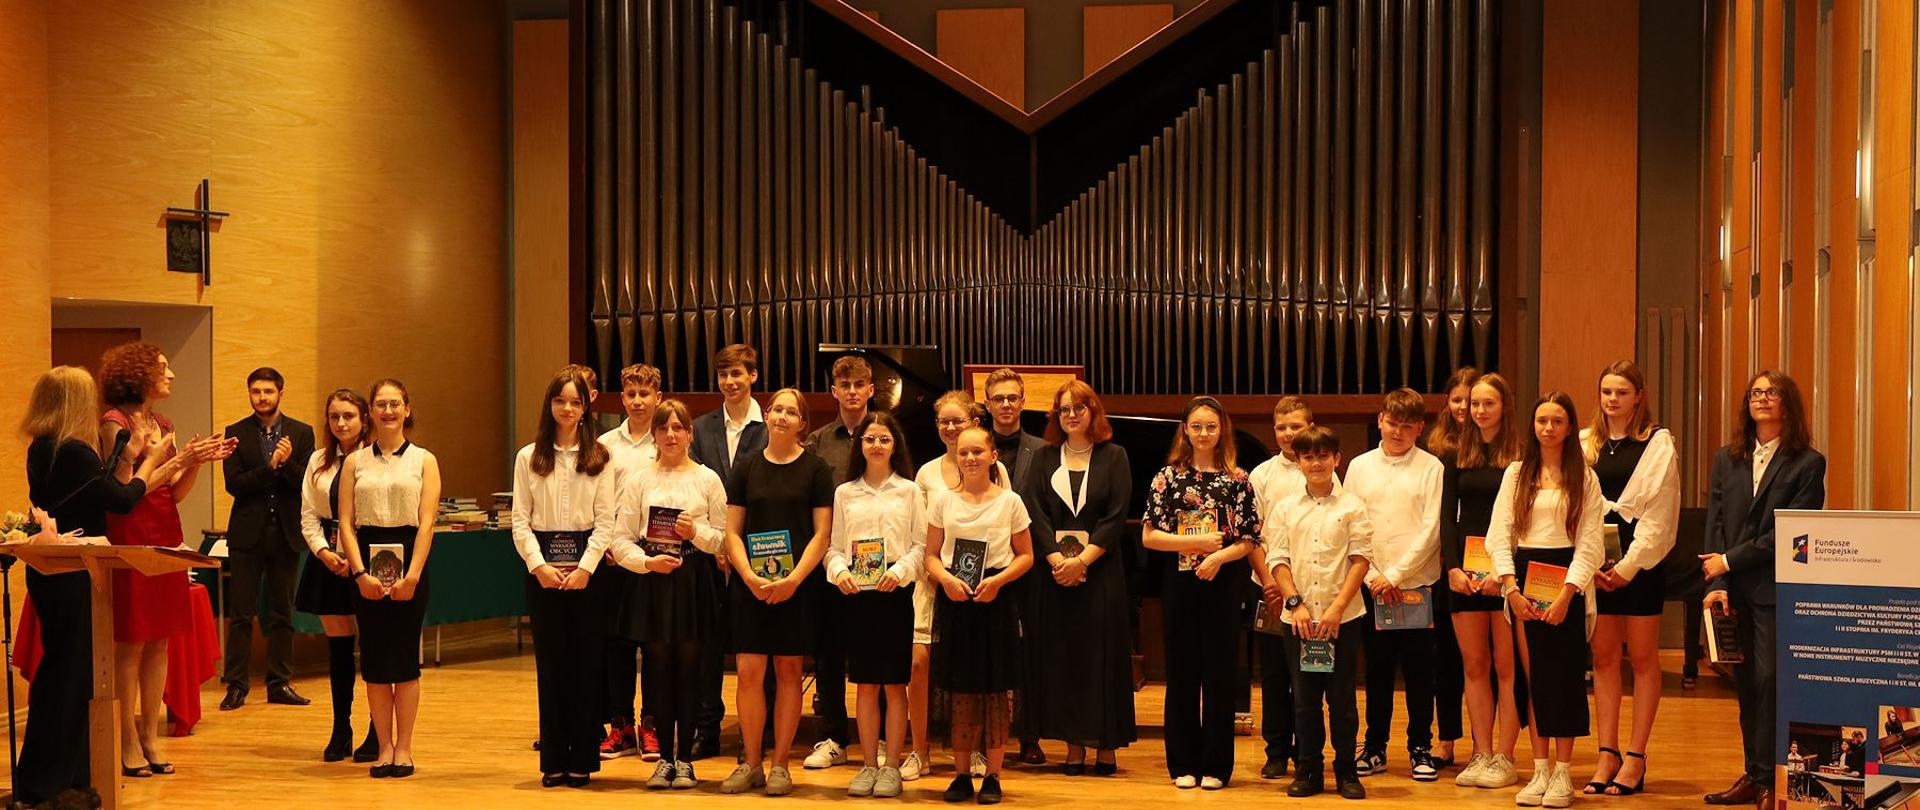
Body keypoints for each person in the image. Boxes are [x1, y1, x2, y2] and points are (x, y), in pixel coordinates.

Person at [17, 367, 213, 804]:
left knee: (65, 675)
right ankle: (54, 782)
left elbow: (105, 489)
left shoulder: (43, 447)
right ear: (74, 402)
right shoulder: (72, 451)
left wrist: (140, 459)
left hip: (52, 570)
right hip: (73, 571)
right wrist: (156, 459)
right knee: (71, 679)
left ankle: (62, 778)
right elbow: (122, 499)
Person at [97, 342, 236, 777]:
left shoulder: (163, 422)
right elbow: (126, 490)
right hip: (130, 532)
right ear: (139, 373)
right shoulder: (113, 422)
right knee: (132, 640)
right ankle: (125, 739)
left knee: (160, 640)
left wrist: (194, 463)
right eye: (162, 367)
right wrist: (163, 457)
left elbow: (171, 492)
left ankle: (150, 736)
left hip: (166, 530)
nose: (171, 374)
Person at [1701, 371, 1825, 808]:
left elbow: (1792, 536)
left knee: (1772, 680)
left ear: (1787, 403)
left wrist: (1728, 561)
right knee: (1747, 684)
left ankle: (1776, 780)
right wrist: (1716, 581)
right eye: (1755, 392)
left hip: (1777, 588)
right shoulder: (1726, 459)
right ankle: (1754, 775)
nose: (1763, 399)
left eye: (1772, 392)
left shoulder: (1808, 463)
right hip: (1731, 590)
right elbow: (1715, 523)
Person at [1488, 391, 1606, 808]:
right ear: (1532, 425)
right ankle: (1538, 769)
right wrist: (1510, 588)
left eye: (1557, 420)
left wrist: (1567, 595)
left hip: (1566, 582)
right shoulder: (1517, 474)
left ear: (1570, 427)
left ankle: (1562, 773)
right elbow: (1499, 535)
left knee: (1565, 679)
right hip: (1524, 579)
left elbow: (1591, 543)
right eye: (1542, 420)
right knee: (1533, 678)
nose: (1548, 428)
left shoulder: (1584, 476)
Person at [607, 398, 729, 790]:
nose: (671, 435)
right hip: (654, 577)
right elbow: (621, 538)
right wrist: (646, 562)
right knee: (657, 668)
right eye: (664, 429)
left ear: (690, 433)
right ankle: (662, 760)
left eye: (679, 428)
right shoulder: (639, 479)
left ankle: (686, 759)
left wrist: (697, 533)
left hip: (694, 577)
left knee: (690, 669)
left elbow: (724, 538)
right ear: (655, 436)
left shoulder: (707, 479)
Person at [718, 387, 834, 796]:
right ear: (766, 416)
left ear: (803, 423)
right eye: (777, 409)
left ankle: (781, 764)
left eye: (792, 411)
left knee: (788, 672)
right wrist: (748, 575)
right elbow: (732, 531)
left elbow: (822, 534)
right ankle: (751, 762)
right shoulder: (745, 468)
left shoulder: (817, 469)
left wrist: (793, 580)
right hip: (752, 585)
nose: (783, 416)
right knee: (749, 674)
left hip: (796, 587)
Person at [1142, 397, 1258, 791]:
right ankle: (1183, 764)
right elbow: (1149, 536)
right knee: (1182, 674)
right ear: (1185, 430)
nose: (1204, 433)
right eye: (1197, 426)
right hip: (1180, 584)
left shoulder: (1239, 479)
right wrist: (1190, 546)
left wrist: (1216, 556)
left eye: (1211, 426)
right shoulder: (1167, 478)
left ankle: (1216, 766)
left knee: (1221, 675)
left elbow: (1249, 538)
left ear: (1221, 429)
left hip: (1222, 582)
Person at [512, 368, 619, 787]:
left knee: (586, 666)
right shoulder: (528, 457)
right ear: (550, 405)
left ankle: (582, 760)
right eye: (561, 401)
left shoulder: (600, 457)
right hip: (542, 574)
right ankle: (553, 759)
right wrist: (538, 566)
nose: (568, 409)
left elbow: (606, 522)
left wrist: (585, 568)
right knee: (551, 666)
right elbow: (520, 521)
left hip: (587, 575)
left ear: (585, 407)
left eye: (576, 402)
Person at [1024, 381, 1135, 777]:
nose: (1072, 415)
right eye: (1064, 408)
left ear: (1093, 411)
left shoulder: (1114, 456)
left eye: (1079, 407)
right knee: (1065, 660)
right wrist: (1057, 560)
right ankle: (1073, 746)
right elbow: (1033, 512)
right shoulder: (1043, 457)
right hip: (1054, 575)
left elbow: (1116, 514)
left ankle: (1105, 746)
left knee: (1101, 659)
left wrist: (1083, 561)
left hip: (1101, 572)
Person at [1580, 361, 1680, 796]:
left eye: (1621, 392)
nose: (1612, 399)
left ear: (1638, 396)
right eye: (1606, 391)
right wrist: (1594, 566)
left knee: (1641, 660)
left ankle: (1636, 756)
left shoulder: (1657, 444)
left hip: (1639, 566)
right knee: (1603, 660)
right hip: (1594, 565)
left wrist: (1627, 567)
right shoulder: (1586, 444)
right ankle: (1607, 752)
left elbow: (1661, 515)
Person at [1262, 425, 1374, 800]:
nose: (1316, 463)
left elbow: (1360, 560)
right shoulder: (1285, 508)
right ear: (1299, 461)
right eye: (1308, 456)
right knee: (1304, 701)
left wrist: (1336, 609)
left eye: (1323, 455)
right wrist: (1296, 604)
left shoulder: (1353, 506)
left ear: (1336, 459)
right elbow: (1278, 559)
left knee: (1342, 701)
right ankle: (1308, 770)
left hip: (1343, 619)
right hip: (1299, 620)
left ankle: (1346, 771)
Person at [925, 425, 1036, 805]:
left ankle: (992, 775)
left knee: (994, 690)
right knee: (961, 689)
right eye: (963, 452)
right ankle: (959, 775)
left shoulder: (1010, 502)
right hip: (957, 598)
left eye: (977, 452)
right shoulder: (942, 501)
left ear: (993, 456)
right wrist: (946, 581)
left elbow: (1026, 556)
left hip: (996, 598)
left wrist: (999, 582)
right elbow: (931, 556)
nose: (970, 458)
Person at [338, 378, 442, 779]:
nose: (387, 411)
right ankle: (382, 746)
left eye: (395, 403)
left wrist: (412, 576)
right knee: (377, 661)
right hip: (366, 562)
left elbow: (428, 521)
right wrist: (360, 573)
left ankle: (405, 747)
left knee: (404, 662)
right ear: (371, 412)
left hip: (410, 558)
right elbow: (346, 524)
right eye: (380, 404)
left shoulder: (424, 460)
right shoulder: (354, 462)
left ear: (407, 409)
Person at [1346, 388, 1446, 782]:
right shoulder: (1359, 466)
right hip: (1369, 585)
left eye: (1407, 426)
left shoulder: (1431, 467)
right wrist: (1372, 575)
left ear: (1420, 428)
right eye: (1392, 423)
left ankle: (1420, 746)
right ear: (1380, 420)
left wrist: (1396, 575)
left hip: (1415, 585)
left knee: (1420, 672)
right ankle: (1374, 747)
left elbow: (1431, 529)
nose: (1398, 432)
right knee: (1377, 671)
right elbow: (1352, 523)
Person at [825, 411, 926, 798]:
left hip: (894, 595)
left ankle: (893, 767)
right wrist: (839, 572)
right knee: (865, 686)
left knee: (894, 686)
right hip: (858, 598)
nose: (877, 445)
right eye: (870, 439)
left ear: (894, 444)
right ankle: (868, 764)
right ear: (860, 445)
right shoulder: (845, 492)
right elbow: (833, 548)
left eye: (884, 439)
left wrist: (900, 571)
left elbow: (920, 546)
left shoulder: (910, 490)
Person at [910, 391, 1008, 781]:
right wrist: (938, 575)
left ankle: (978, 753)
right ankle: (920, 751)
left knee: (976, 668)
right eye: (943, 422)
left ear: (974, 424)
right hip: (934, 579)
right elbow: (924, 535)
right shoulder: (926, 473)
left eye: (958, 421)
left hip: (981, 587)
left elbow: (1002, 529)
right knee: (919, 664)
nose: (950, 428)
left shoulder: (994, 470)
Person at [1441, 372, 1526, 790]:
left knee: (1507, 667)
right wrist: (1453, 568)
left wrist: (1504, 571)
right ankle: (1480, 752)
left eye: (1487, 403)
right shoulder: (1456, 453)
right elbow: (1445, 518)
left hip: (1505, 570)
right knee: (1474, 665)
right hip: (1466, 574)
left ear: (1504, 406)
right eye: (1474, 404)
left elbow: (1523, 520)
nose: (1478, 411)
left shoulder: (1521, 456)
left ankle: (1506, 757)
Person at [220, 367, 316, 711]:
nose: (261, 397)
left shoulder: (301, 434)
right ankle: (236, 685)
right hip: (248, 533)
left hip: (286, 532)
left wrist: (286, 464)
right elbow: (235, 485)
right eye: (255, 391)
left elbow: (306, 482)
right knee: (241, 613)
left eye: (267, 391)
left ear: (280, 393)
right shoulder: (235, 433)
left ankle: (280, 683)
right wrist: (270, 467)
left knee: (281, 613)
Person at [296, 389, 381, 763]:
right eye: (334, 417)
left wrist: (356, 558)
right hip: (329, 563)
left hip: (368, 561)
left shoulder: (375, 460)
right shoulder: (318, 460)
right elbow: (309, 515)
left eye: (348, 415)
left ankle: (378, 731)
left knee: (376, 649)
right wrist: (326, 553)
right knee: (339, 650)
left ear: (364, 419)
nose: (341, 423)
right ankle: (340, 728)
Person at [692, 344, 768, 759]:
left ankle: (760, 729)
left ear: (753, 376)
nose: (730, 382)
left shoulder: (771, 426)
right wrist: (716, 542)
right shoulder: (700, 429)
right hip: (709, 556)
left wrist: (736, 546)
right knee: (707, 646)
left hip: (758, 552)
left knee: (756, 646)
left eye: (737, 373)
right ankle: (707, 727)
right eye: (723, 375)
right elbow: (693, 492)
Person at [802, 355, 878, 770]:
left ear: (871, 390)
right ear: (834, 391)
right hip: (829, 562)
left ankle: (878, 736)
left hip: (875, 563)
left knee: (873, 651)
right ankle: (833, 736)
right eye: (844, 384)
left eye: (859, 384)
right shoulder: (816, 441)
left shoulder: (885, 435)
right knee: (828, 652)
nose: (851, 391)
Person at [1247, 396, 1323, 780]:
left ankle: (1306, 750)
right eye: (1282, 427)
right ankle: (1275, 750)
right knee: (1274, 674)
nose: (1289, 434)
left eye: (1296, 426)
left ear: (1309, 425)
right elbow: (1254, 533)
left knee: (1307, 675)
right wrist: (1270, 582)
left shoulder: (1322, 467)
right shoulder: (1261, 474)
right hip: (1269, 587)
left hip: (1313, 590)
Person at [981, 368, 1051, 766]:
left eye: (1012, 398)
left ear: (1022, 402)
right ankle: (980, 735)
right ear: (987, 404)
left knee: (1030, 652)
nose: (1006, 405)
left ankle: (1029, 735)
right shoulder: (972, 447)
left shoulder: (1043, 450)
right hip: (982, 565)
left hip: (1028, 565)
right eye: (998, 399)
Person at [596, 363, 663, 761]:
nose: (638, 401)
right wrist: (606, 542)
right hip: (613, 556)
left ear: (658, 396)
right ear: (622, 399)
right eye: (631, 394)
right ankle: (620, 725)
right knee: (616, 645)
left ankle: (650, 725)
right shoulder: (606, 444)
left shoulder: (667, 439)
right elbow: (599, 499)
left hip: (655, 554)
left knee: (652, 645)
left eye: (645, 394)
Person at [1422, 366, 1480, 769]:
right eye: (1457, 399)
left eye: (1471, 401)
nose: (1464, 407)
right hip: (1445, 564)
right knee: (1445, 660)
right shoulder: (1437, 450)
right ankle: (1446, 741)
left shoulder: (1495, 447)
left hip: (1485, 564)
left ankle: (1484, 743)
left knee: (1482, 661)